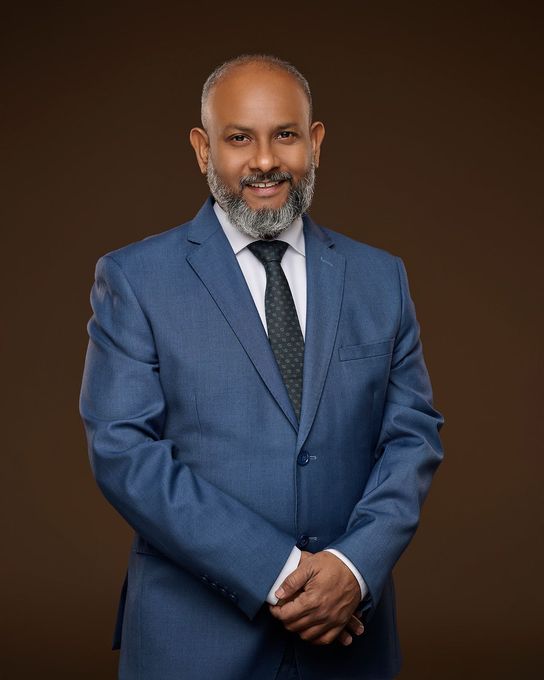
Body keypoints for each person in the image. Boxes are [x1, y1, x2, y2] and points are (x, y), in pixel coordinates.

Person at [80, 54, 444, 680]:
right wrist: (281, 571)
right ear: (202, 149)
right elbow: (122, 450)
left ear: (316, 141)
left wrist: (353, 569)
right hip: (193, 642)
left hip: (349, 637)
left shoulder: (380, 278)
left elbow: (411, 435)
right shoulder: (135, 278)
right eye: (239, 138)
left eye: (285, 134)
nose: (265, 161)